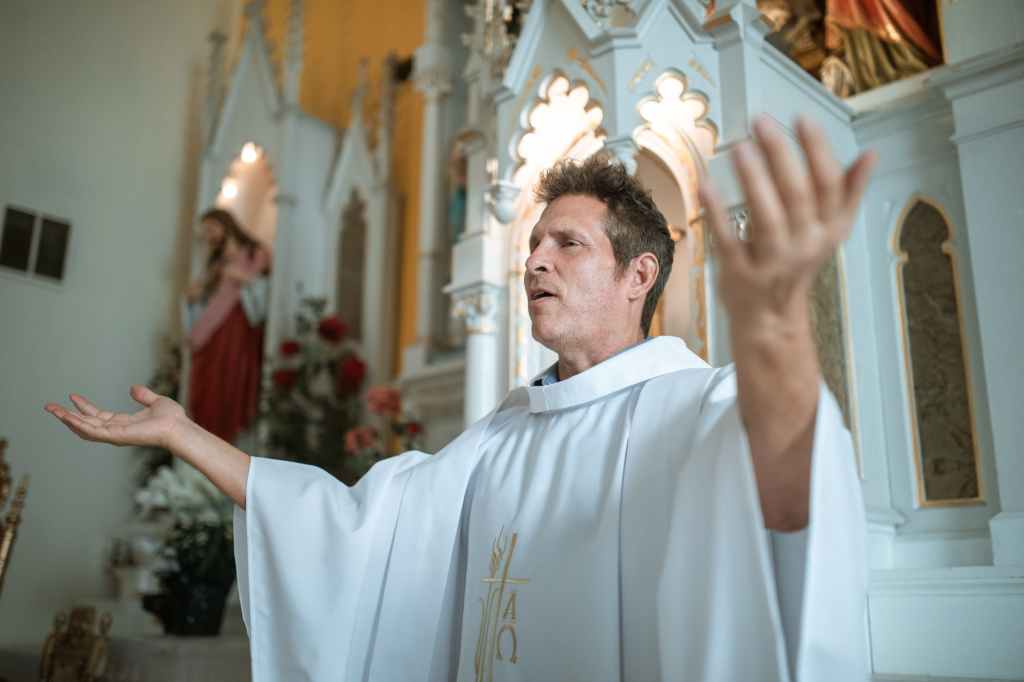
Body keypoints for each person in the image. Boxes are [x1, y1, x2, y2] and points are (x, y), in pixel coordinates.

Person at [46, 115, 876, 681]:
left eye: (568, 244)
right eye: (534, 243)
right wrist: (186, 434)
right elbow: (348, 529)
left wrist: (774, 328)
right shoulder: (504, 433)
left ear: (640, 275)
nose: (535, 261)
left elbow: (785, 490)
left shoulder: (695, 408)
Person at [183, 208, 270, 445]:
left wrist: (240, 277)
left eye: (211, 228)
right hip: (212, 327)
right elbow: (206, 295)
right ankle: (206, 436)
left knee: (230, 374)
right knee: (208, 378)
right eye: (205, 232)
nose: (209, 235)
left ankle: (226, 435)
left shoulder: (255, 252)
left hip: (238, 324)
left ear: (225, 224)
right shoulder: (216, 260)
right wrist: (195, 296)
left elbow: (266, 290)